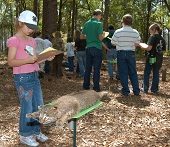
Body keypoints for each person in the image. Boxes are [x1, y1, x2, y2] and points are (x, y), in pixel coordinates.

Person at [7, 10, 54, 146]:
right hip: (22, 78)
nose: (31, 30)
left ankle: (35, 131)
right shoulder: (14, 40)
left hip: (34, 75)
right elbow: (11, 62)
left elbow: (33, 60)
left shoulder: (32, 41)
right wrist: (28, 60)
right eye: (29, 27)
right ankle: (25, 134)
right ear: (20, 23)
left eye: (33, 28)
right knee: (27, 107)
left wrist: (45, 58)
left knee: (38, 106)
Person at [111, 14, 141, 96]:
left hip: (121, 53)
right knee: (133, 72)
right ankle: (136, 91)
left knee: (123, 72)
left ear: (123, 22)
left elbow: (112, 42)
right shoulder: (135, 32)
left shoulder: (118, 32)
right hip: (131, 53)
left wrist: (118, 43)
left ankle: (125, 90)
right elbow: (137, 43)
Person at [81, 9, 103, 92]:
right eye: (101, 16)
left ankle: (86, 86)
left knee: (88, 68)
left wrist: (90, 37)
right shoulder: (98, 24)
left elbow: (81, 36)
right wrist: (103, 35)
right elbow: (100, 38)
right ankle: (96, 87)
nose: (101, 18)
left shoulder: (87, 23)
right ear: (98, 15)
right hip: (97, 48)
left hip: (88, 48)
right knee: (96, 69)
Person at [139, 23, 166, 93]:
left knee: (147, 72)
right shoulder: (162, 39)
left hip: (152, 57)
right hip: (159, 58)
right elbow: (163, 49)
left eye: (150, 30)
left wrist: (143, 47)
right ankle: (154, 89)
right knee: (156, 73)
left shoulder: (153, 37)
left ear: (154, 29)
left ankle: (145, 88)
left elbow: (149, 48)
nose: (150, 32)